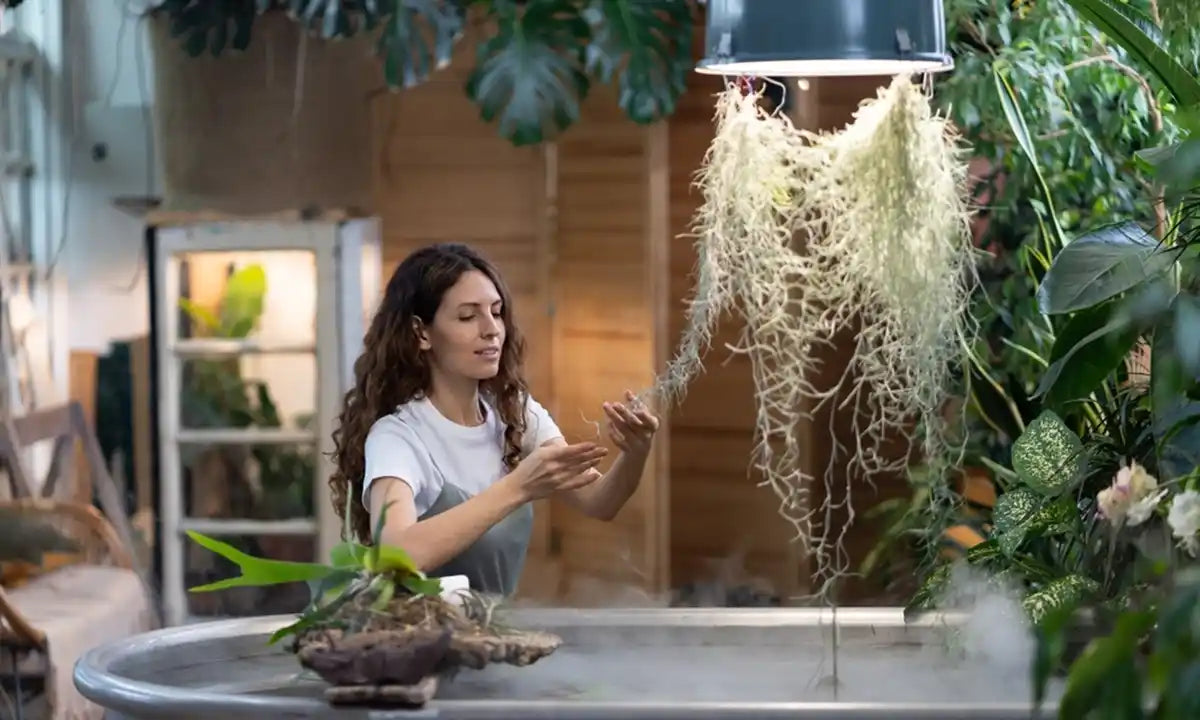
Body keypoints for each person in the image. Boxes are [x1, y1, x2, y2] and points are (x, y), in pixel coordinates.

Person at [329, 242, 660, 597]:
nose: (492, 330)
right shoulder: (397, 437)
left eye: (497, 312)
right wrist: (518, 487)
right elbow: (395, 555)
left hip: (493, 626)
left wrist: (636, 452)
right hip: (419, 628)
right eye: (467, 317)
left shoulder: (514, 413)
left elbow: (600, 501)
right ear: (421, 333)